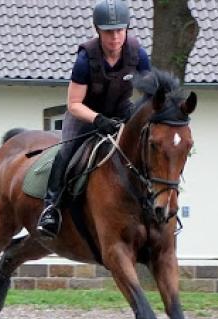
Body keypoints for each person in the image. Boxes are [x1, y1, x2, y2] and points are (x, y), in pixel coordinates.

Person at [36, 0, 151, 238]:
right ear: (97, 30)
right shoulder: (85, 59)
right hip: (84, 116)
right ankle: (51, 208)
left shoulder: (137, 54)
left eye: (120, 30)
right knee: (66, 153)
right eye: (109, 32)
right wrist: (98, 120)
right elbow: (74, 104)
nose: (115, 37)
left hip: (121, 111)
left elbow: (151, 91)